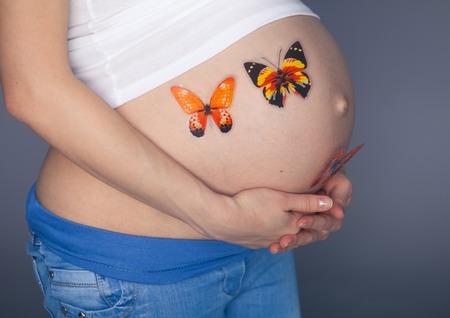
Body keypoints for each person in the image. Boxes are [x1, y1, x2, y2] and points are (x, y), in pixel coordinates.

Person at [0, 0, 355, 317]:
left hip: (260, 240)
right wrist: (218, 215)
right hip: (140, 263)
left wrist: (312, 174)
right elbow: (33, 90)